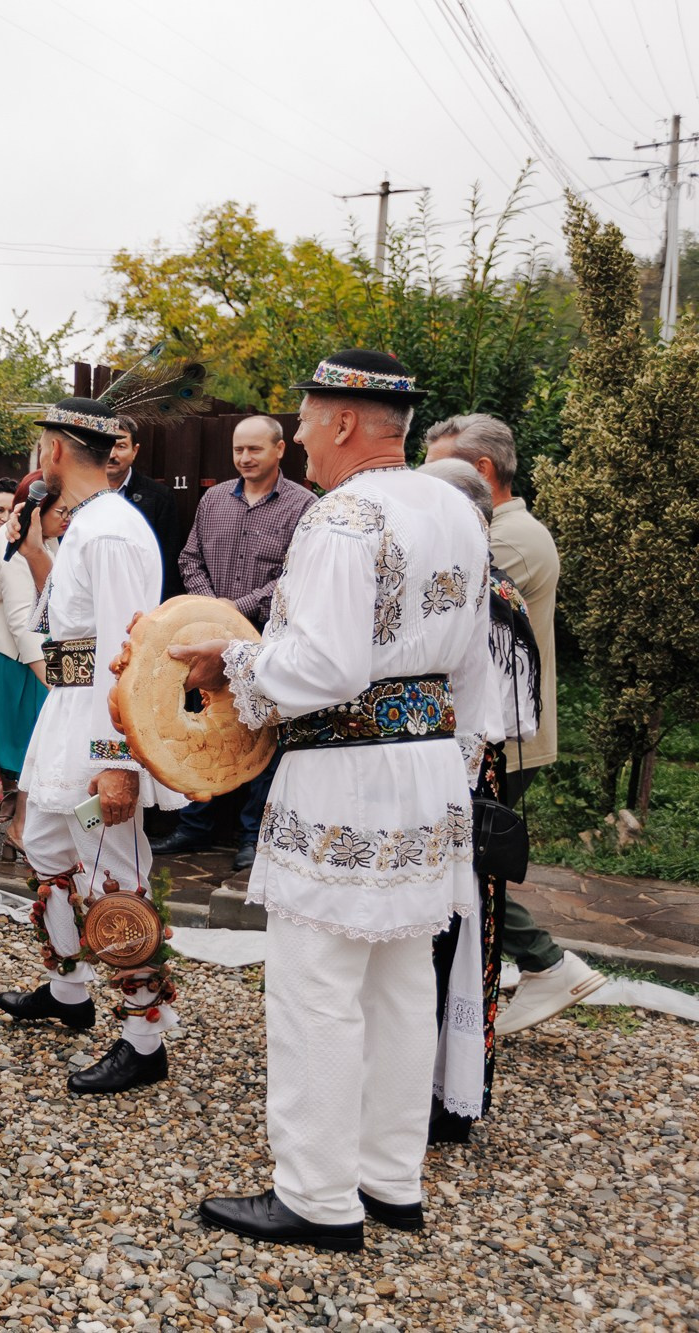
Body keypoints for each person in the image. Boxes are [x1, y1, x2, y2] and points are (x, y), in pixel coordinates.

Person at [178, 349, 498, 1251]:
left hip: (345, 772)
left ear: (347, 422)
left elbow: (322, 665)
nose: (301, 436)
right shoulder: (456, 507)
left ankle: (317, 1195)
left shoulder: (341, 517)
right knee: (400, 979)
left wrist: (227, 664)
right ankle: (389, 1176)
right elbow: (475, 663)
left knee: (317, 983)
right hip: (431, 767)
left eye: (308, 419)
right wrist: (457, 761)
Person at [0, 399, 187, 1096]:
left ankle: (144, 1034)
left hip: (98, 720)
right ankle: (68, 988)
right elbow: (66, 624)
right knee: (45, 845)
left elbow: (124, 649)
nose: (35, 456)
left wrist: (117, 760)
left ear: (58, 449)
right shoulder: (83, 527)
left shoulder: (110, 533)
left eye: (40, 444)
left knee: (114, 870)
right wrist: (32, 548)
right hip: (66, 707)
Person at [424, 413, 607, 1032]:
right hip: (486, 730)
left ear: (479, 472)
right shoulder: (495, 530)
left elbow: (442, 610)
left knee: (468, 857)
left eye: (437, 472)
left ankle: (547, 965)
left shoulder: (510, 540)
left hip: (503, 737)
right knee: (466, 856)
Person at [417, 457, 542, 1143]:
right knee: (461, 939)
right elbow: (520, 718)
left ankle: (430, 1091)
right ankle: (449, 1087)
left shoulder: (467, 593)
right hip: (471, 775)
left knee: (443, 936)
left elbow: (493, 713)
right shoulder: (503, 594)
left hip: (449, 782)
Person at [154, 415, 317, 870]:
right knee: (205, 724)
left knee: (261, 732)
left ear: (280, 450)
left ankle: (253, 836)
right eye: (238, 450)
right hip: (207, 639)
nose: (245, 458)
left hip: (267, 642)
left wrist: (235, 608)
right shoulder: (212, 500)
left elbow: (294, 580)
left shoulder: (304, 506)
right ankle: (195, 826)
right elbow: (190, 559)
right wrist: (211, 611)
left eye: (255, 450)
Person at [0, 473, 48, 855]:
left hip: (32, 656)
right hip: (10, 657)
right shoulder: (12, 545)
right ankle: (18, 830)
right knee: (21, 748)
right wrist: (53, 678)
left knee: (24, 748)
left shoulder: (44, 540)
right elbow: (23, 619)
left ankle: (19, 829)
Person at [108, 417, 181, 599]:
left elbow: (168, 563)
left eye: (121, 446)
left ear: (135, 451)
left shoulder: (159, 498)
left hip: (141, 599)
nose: (111, 454)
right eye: (105, 445)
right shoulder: (78, 494)